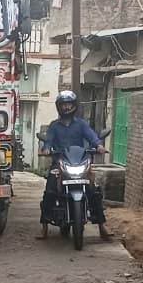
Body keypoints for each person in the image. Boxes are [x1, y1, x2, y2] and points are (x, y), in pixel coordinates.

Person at [36, 90, 113, 241]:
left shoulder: (81, 124)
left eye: (69, 104)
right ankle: (44, 226)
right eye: (63, 104)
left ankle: (102, 226)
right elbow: (48, 141)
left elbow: (92, 137)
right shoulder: (54, 126)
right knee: (50, 191)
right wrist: (46, 149)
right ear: (59, 106)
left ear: (74, 106)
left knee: (94, 191)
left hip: (79, 162)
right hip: (59, 164)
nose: (66, 107)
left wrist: (99, 146)